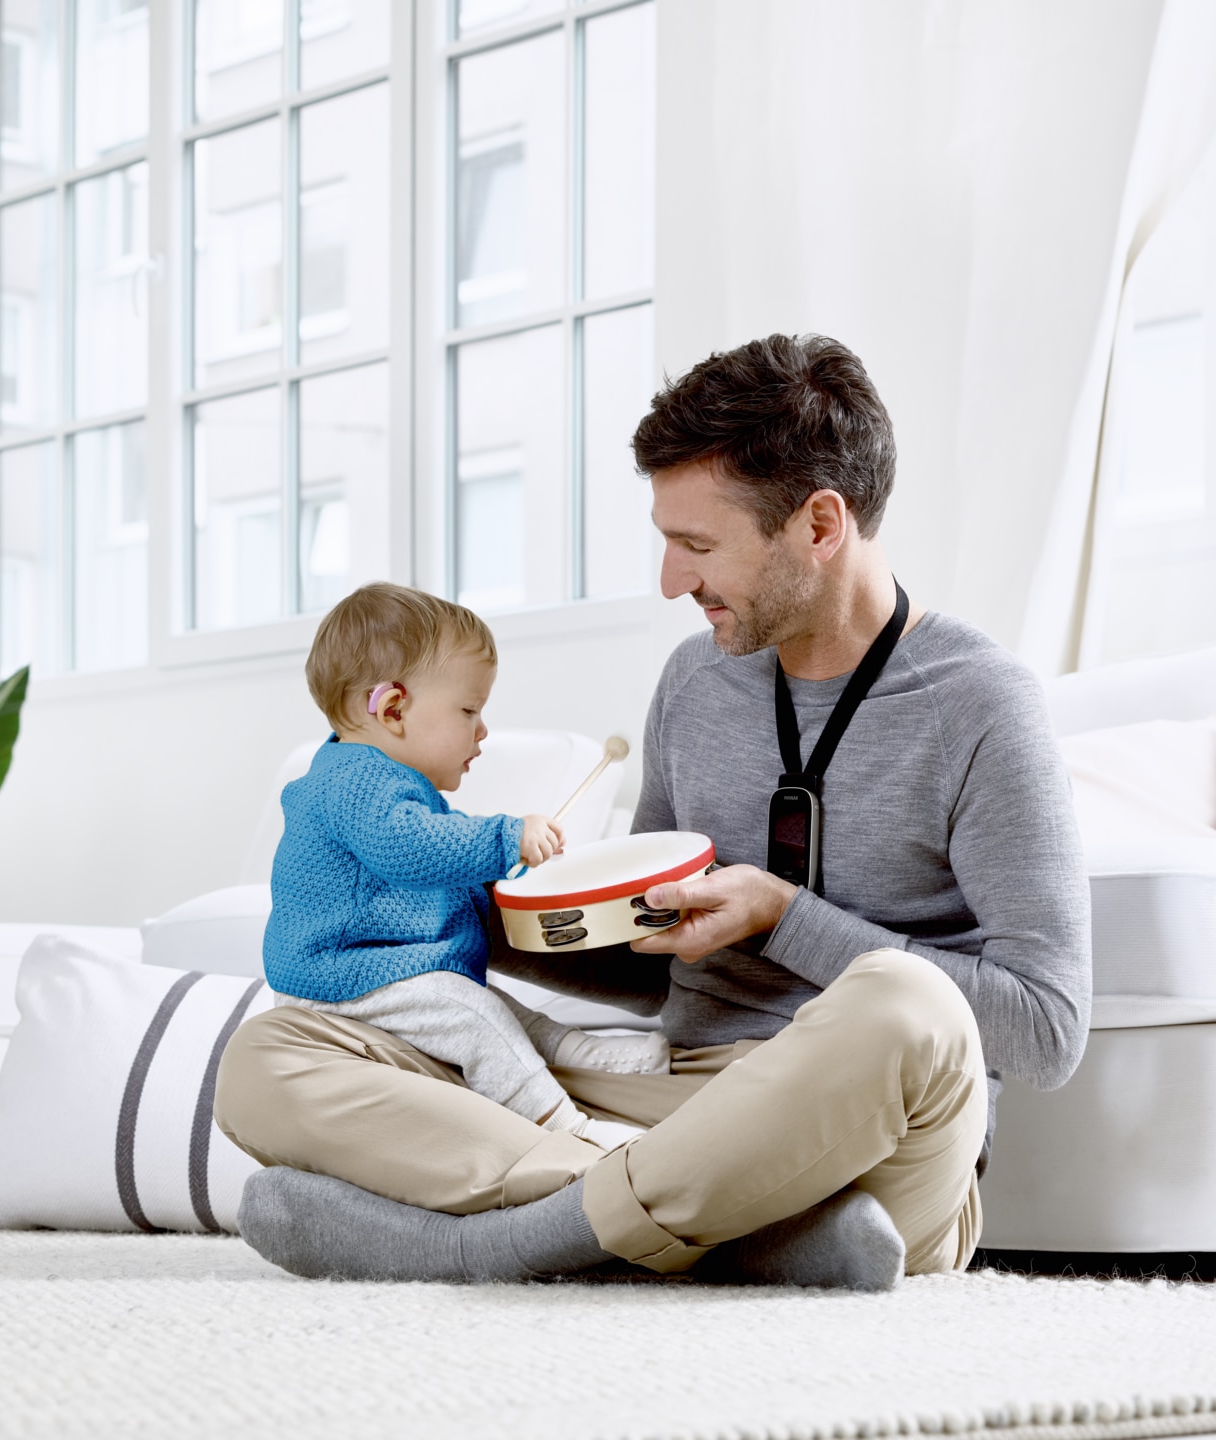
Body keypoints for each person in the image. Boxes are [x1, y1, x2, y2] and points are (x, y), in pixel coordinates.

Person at [215, 334, 1090, 1292]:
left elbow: (1046, 1030)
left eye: (700, 546)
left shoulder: (982, 705)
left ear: (820, 524)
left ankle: (494, 1245)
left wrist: (782, 918)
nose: (674, 580)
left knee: (903, 1001)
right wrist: (491, 920)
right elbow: (653, 960)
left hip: (864, 1134)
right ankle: (759, 1241)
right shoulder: (695, 682)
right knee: (271, 1053)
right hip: (663, 1105)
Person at [263, 583, 664, 1146]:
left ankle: (594, 1060)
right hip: (341, 977)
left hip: (386, 971)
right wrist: (504, 837)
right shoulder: (351, 782)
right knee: (477, 1019)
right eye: (469, 710)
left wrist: (501, 884)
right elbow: (409, 848)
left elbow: (436, 879)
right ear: (393, 708)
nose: (482, 730)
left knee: (501, 1011)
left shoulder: (390, 783)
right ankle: (564, 1129)